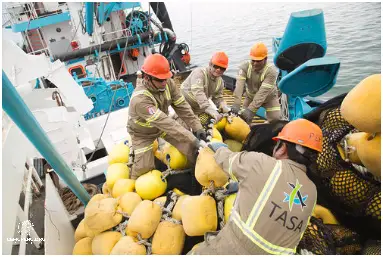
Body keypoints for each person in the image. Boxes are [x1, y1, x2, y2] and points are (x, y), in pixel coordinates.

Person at [190, 118, 322, 255]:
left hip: (233, 249)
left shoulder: (262, 163)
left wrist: (217, 146)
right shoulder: (312, 192)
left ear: (283, 147)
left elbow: (227, 160)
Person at [127, 54, 206, 179]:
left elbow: (182, 106)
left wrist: (197, 127)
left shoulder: (168, 82)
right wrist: (194, 139)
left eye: (166, 78)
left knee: (191, 149)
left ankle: (198, 176)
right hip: (142, 134)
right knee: (144, 170)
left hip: (162, 128)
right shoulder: (140, 100)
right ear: (147, 78)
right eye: (160, 80)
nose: (165, 82)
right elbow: (167, 123)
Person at [231, 42, 281, 124]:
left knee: (275, 119)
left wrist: (251, 109)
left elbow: (262, 93)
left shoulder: (271, 71)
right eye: (253, 60)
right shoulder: (244, 67)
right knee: (243, 119)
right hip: (250, 97)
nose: (255, 63)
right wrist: (236, 104)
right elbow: (239, 86)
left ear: (265, 59)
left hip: (269, 98)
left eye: (258, 61)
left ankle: (266, 122)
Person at [181, 52, 230, 122]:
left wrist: (223, 106)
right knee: (185, 126)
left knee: (207, 123)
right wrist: (212, 112)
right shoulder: (199, 73)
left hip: (199, 107)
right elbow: (198, 93)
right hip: (184, 104)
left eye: (222, 68)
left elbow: (218, 97)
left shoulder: (220, 82)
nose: (218, 70)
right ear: (210, 64)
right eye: (216, 66)